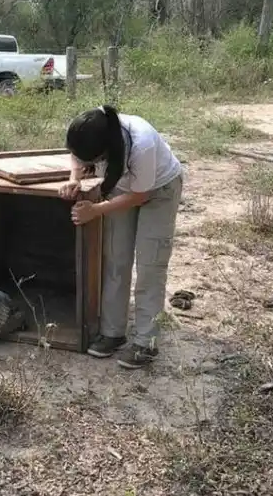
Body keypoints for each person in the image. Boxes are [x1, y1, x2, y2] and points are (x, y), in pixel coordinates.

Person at [59, 105, 183, 369]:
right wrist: (74, 179)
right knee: (115, 257)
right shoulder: (88, 126)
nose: (87, 163)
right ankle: (112, 333)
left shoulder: (142, 143)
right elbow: (76, 156)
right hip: (122, 190)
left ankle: (145, 342)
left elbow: (141, 196)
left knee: (150, 265)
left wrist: (95, 210)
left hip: (159, 192)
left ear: (107, 150)